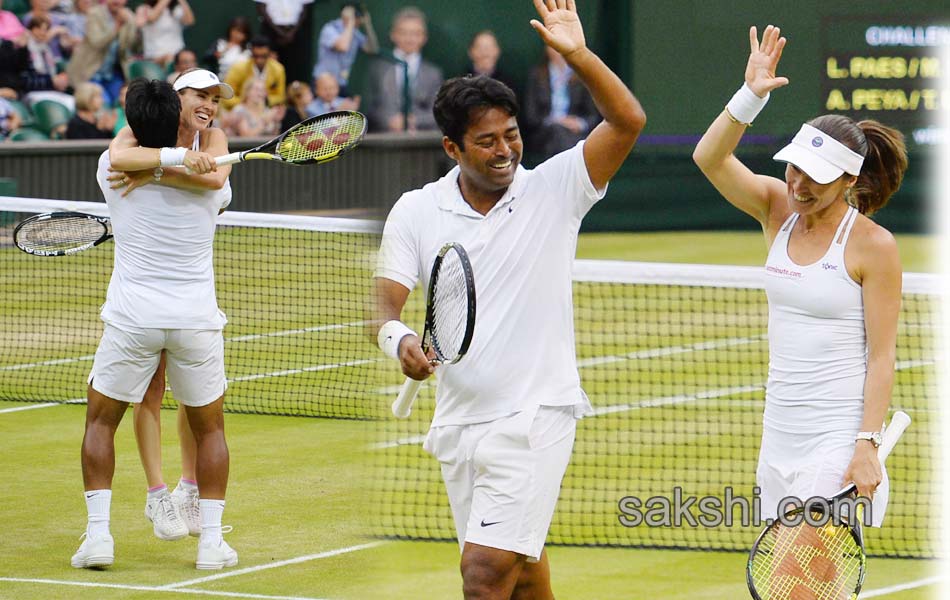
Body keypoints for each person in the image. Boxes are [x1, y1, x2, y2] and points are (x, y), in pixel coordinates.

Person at [373, 2, 645, 598]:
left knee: (483, 573)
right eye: (487, 141)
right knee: (521, 575)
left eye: (512, 135)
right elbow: (387, 306)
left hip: (536, 418)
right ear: (452, 148)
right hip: (459, 421)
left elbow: (627, 121)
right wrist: (399, 340)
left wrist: (576, 55)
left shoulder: (556, 188)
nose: (505, 150)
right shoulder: (416, 211)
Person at [692, 25, 907, 533]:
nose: (799, 184)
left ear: (850, 180)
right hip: (780, 433)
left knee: (796, 576)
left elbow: (882, 355)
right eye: (794, 169)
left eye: (816, 176)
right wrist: (749, 96)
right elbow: (709, 158)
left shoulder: (874, 246)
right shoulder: (775, 209)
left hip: (836, 438)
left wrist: (867, 445)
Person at [72, 76, 237, 570]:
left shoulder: (112, 171)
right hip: (194, 322)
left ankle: (98, 536)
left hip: (132, 319)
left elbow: (124, 155)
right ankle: (210, 541)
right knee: (210, 431)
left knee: (100, 422)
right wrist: (181, 160)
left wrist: (163, 166)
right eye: (198, 97)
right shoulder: (214, 185)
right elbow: (212, 180)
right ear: (178, 109)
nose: (208, 105)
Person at [365, 6, 442, 133]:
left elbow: (438, 112)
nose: (409, 38)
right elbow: (368, 106)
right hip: (382, 143)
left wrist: (413, 120)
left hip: (421, 144)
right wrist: (389, 120)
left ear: (424, 37)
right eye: (403, 32)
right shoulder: (378, 68)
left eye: (416, 33)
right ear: (393, 35)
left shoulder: (433, 73)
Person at [521, 44, 599, 160]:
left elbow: (593, 116)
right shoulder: (537, 76)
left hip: (575, 134)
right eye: (553, 46)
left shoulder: (582, 77)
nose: (558, 51)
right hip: (545, 134)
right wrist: (556, 121)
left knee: (567, 138)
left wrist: (578, 123)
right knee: (557, 132)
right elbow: (531, 117)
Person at [65, 0, 140, 107]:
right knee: (102, 104)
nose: (117, 1)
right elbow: (97, 43)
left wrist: (133, 25)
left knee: (125, 103)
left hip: (112, 74)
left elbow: (131, 46)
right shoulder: (94, 13)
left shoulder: (128, 16)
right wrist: (117, 26)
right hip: (90, 72)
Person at [311, 1, 378, 96]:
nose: (358, 19)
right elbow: (343, 47)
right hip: (323, 83)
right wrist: (350, 21)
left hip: (340, 84)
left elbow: (373, 49)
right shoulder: (330, 28)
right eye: (357, 15)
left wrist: (368, 24)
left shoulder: (355, 33)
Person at [222, 35, 286, 111]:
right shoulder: (238, 68)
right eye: (256, 56)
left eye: (264, 56)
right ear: (251, 53)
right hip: (241, 111)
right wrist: (246, 102)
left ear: (270, 54)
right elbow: (225, 97)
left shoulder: (278, 69)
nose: (259, 60)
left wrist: (265, 101)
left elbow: (280, 96)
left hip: (267, 110)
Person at [254, 0, 311, 83]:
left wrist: (291, 32)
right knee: (271, 66)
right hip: (271, 32)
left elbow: (305, 10)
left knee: (293, 68)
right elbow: (261, 8)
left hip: (295, 32)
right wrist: (280, 32)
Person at [135, 0, 194, 68]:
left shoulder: (176, 10)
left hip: (178, 57)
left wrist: (182, 1)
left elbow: (189, 21)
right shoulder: (144, 9)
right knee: (169, 59)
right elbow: (152, 18)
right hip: (154, 58)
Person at [463, 30, 516, 98]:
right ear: (471, 52)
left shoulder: (508, 85)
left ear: (497, 51)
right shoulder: (461, 83)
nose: (485, 53)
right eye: (481, 48)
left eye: (489, 48)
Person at [204, 16, 251, 80]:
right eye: (236, 30)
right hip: (221, 80)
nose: (237, 35)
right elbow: (207, 57)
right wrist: (224, 50)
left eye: (241, 32)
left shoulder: (249, 48)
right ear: (230, 30)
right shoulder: (220, 43)